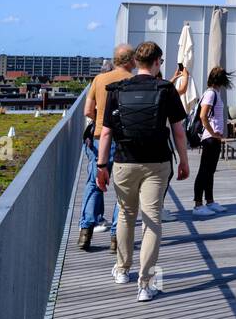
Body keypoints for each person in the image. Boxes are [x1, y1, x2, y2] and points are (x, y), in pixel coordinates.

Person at [95, 42, 189, 302]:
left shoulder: (116, 89)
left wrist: (102, 166)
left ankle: (122, 270)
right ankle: (145, 285)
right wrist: (183, 161)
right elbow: (178, 130)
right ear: (158, 62)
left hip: (124, 162)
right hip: (157, 163)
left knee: (126, 213)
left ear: (136, 62)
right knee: (152, 220)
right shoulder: (166, 89)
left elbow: (106, 132)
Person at [78, 44, 133, 252]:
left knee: (93, 184)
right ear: (130, 60)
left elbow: (87, 110)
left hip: (100, 138)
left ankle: (86, 232)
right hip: (125, 140)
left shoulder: (99, 79)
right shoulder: (131, 81)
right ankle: (115, 238)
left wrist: (100, 121)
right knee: (123, 189)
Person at [193, 66, 232, 217]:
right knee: (204, 170)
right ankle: (197, 205)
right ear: (220, 80)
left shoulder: (215, 93)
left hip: (214, 139)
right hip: (209, 139)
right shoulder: (210, 94)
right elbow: (203, 116)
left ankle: (209, 201)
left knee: (210, 171)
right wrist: (212, 133)